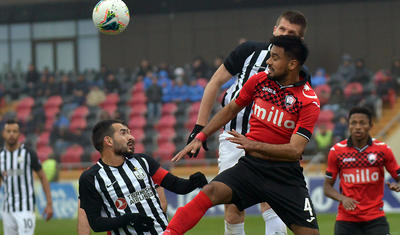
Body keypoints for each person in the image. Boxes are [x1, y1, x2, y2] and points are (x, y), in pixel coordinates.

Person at [165, 35, 320, 235]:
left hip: (285, 177)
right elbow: (230, 110)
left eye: (274, 57)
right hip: (251, 169)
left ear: (292, 64)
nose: (268, 62)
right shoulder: (260, 81)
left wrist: (253, 145)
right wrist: (200, 136)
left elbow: (294, 150)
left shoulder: (308, 101)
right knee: (210, 191)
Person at [78, 119, 208, 234]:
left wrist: (193, 182)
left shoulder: (143, 161)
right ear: (108, 141)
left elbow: (177, 186)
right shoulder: (90, 178)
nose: (131, 137)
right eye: (124, 133)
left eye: (130, 132)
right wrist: (129, 219)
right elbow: (96, 224)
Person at [323, 106, 400, 235]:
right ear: (348, 125)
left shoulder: (383, 150)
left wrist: (398, 185)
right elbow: (327, 187)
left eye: (362, 123)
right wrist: (342, 198)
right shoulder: (336, 151)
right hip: (346, 220)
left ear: (371, 125)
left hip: (375, 218)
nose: (357, 127)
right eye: (354, 123)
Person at [0, 119, 53, 235]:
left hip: (25, 208)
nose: (11, 134)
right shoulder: (1, 156)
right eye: (8, 131)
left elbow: (43, 177)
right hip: (7, 209)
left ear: (19, 134)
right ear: (3, 133)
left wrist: (49, 204)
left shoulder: (28, 153)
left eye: (15, 131)